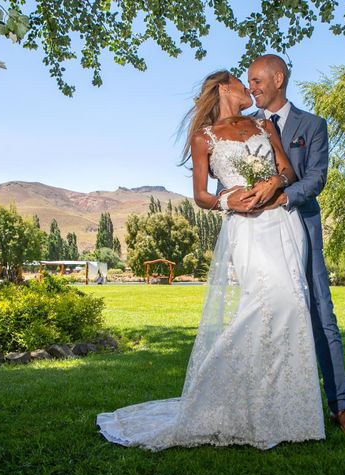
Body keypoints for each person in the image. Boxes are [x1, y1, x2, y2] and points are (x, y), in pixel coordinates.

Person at [96, 70, 325, 450]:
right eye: (242, 83)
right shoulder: (203, 138)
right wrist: (225, 200)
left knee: (293, 306)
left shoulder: (264, 125)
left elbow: (286, 169)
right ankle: (212, 393)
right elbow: (201, 195)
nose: (249, 89)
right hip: (246, 228)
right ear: (224, 88)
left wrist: (275, 182)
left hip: (283, 225)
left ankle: (285, 413)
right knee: (266, 303)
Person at [220, 54, 345, 436]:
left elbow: (317, 178)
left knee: (321, 313)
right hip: (258, 237)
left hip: (301, 226)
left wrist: (282, 195)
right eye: (248, 82)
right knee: (262, 312)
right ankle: (263, 402)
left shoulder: (313, 125)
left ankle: (342, 408)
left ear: (278, 79)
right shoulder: (246, 127)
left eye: (256, 81)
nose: (251, 87)